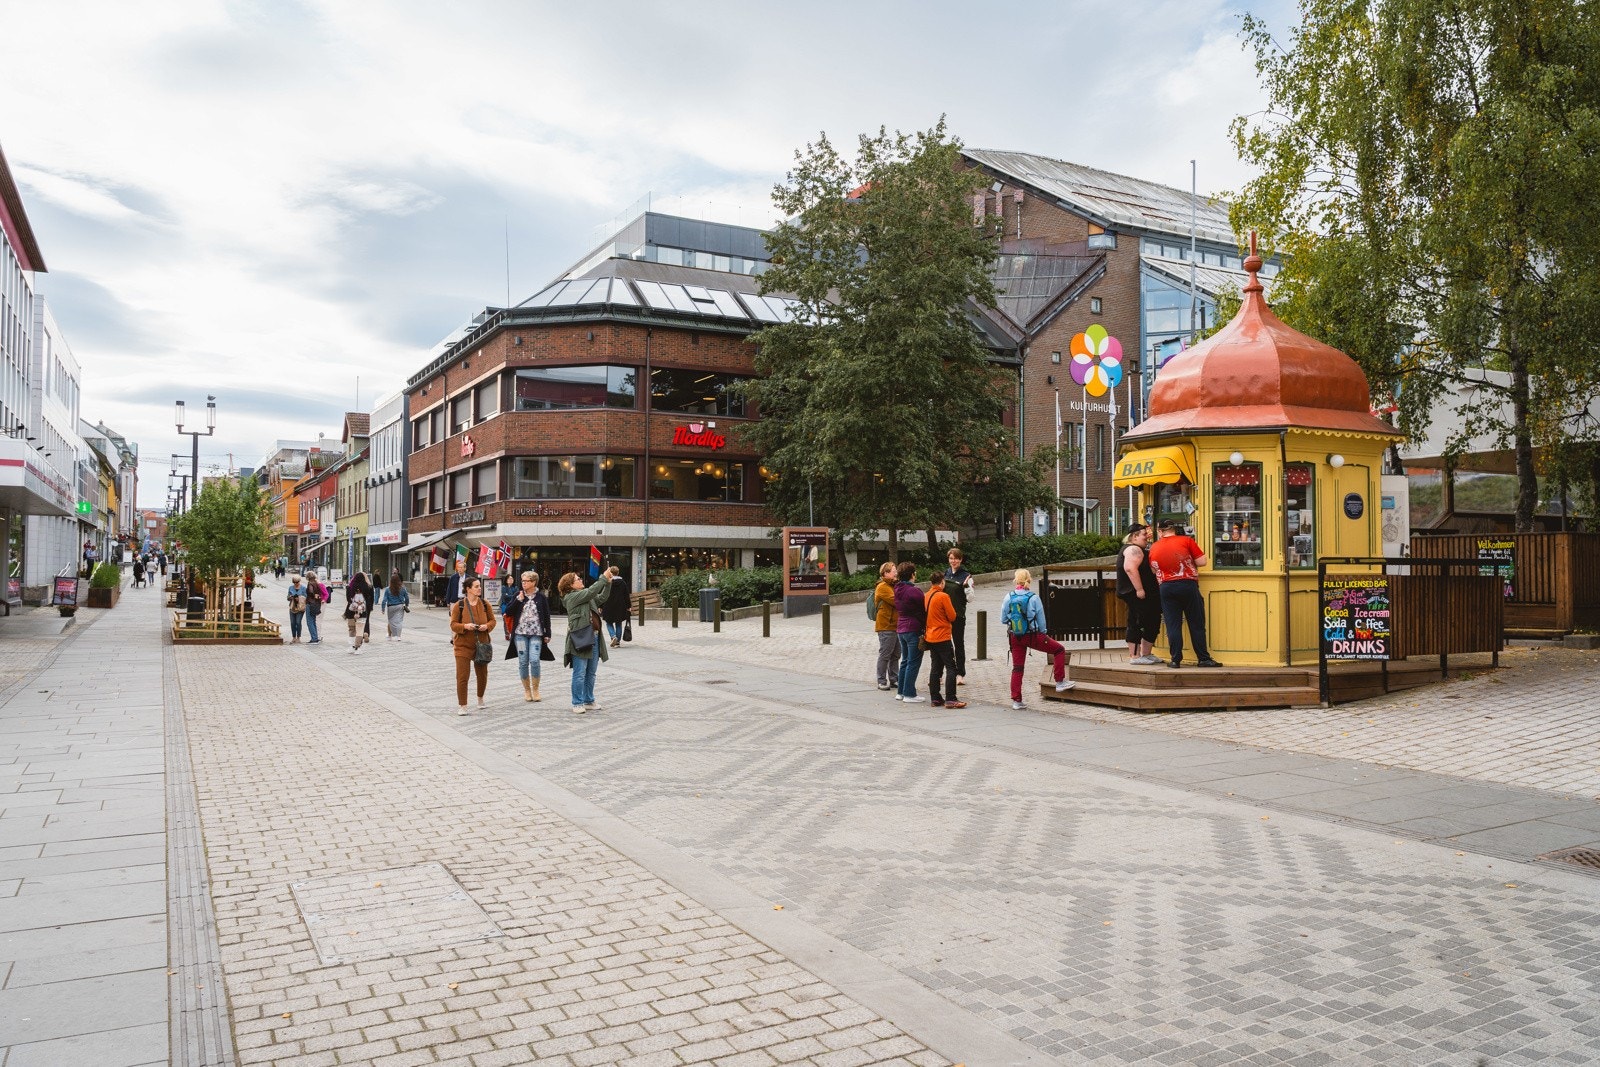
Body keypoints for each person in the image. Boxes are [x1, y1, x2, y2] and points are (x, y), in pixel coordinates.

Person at [1148, 520, 1223, 668]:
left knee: (1173, 625)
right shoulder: (1186, 541)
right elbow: (1202, 562)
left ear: (1160, 531)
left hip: (1166, 587)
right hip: (1187, 584)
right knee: (1196, 623)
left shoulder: (1154, 547)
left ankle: (1175, 660)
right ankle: (1203, 658)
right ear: (1174, 529)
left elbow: (1153, 570)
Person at [1001, 568, 1074, 710]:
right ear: (1029, 580)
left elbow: (1003, 619)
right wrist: (1044, 635)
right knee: (1059, 649)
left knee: (1017, 667)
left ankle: (1016, 701)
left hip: (1015, 636)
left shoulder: (1008, 597)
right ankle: (1059, 682)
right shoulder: (1033, 598)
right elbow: (1042, 622)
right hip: (1033, 635)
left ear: (1016, 580)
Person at [557, 566, 615, 714]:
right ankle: (577, 702)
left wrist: (608, 583)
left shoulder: (584, 595)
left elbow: (601, 598)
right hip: (581, 638)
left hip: (594, 636)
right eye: (577, 579)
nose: (581, 580)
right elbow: (591, 592)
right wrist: (603, 577)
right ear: (570, 585)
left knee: (591, 672)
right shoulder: (571, 596)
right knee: (580, 672)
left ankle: (589, 700)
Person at [449, 575, 498, 714]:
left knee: (482, 674)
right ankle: (463, 706)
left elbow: (493, 621)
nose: (479, 588)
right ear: (468, 589)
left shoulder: (485, 604)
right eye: (476, 586)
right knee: (462, 676)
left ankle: (480, 698)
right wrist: (465, 626)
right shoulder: (460, 605)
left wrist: (486, 626)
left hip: (481, 645)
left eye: (479, 586)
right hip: (462, 646)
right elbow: (453, 625)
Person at [1116, 524, 1163, 665]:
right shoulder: (1133, 549)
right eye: (1144, 534)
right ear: (1134, 536)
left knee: (1152, 620)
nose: (1147, 537)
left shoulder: (1139, 549)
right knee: (1137, 621)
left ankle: (1146, 654)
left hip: (1149, 594)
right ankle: (1135, 656)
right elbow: (1130, 568)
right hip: (1135, 593)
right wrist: (1139, 589)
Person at [503, 570, 551, 702]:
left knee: (535, 660)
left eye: (526, 581)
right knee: (523, 662)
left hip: (536, 634)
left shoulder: (541, 597)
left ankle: (535, 689)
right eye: (522, 581)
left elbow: (546, 616)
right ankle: (527, 690)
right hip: (520, 635)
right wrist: (518, 600)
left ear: (534, 582)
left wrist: (548, 633)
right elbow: (508, 611)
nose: (523, 583)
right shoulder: (517, 595)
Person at [924, 574, 965, 709]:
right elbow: (952, 616)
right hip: (943, 636)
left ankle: (935, 698)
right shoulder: (943, 596)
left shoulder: (927, 595)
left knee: (935, 667)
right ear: (942, 582)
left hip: (930, 636)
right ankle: (950, 698)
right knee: (951, 667)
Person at [892, 562, 926, 703]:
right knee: (913, 662)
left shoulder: (897, 589)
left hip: (901, 628)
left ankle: (900, 692)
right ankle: (909, 693)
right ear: (912, 574)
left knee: (905, 661)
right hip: (913, 628)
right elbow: (922, 610)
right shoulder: (914, 591)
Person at [942, 547, 975, 684]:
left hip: (958, 616)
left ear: (960, 559)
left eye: (955, 558)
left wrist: (966, 586)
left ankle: (960, 674)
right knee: (943, 645)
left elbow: (971, 598)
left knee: (958, 644)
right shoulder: (946, 573)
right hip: (944, 616)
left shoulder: (966, 576)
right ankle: (944, 673)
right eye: (951, 558)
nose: (953, 561)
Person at [871, 561, 900, 691]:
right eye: (894, 571)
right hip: (886, 626)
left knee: (896, 654)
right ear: (886, 573)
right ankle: (881, 680)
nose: (896, 573)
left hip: (896, 625)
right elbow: (896, 601)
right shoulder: (882, 587)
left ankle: (894, 679)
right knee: (885, 654)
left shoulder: (894, 585)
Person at [601, 567, 631, 648]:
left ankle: (613, 636)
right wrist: (628, 606)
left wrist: (600, 606)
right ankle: (617, 642)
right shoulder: (623, 583)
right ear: (618, 573)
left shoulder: (607, 582)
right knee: (618, 623)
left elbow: (602, 594)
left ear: (610, 573)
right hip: (620, 606)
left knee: (609, 622)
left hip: (608, 605)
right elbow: (626, 596)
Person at [344, 572, 373, 654]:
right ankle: (358, 648)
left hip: (351, 611)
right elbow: (369, 599)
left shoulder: (349, 587)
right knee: (360, 630)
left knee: (351, 629)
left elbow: (348, 600)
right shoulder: (367, 587)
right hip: (362, 611)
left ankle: (351, 646)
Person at [380, 570, 410, 639]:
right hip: (400, 606)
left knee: (391, 621)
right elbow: (407, 597)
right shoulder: (402, 588)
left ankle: (391, 635)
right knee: (399, 621)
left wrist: (383, 609)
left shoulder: (388, 589)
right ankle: (398, 636)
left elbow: (384, 600)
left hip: (390, 607)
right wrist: (407, 604)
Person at [304, 570, 325, 643]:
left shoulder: (310, 583)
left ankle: (314, 638)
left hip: (310, 603)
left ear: (307, 577)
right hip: (316, 603)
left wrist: (312, 595)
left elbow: (310, 591)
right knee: (313, 620)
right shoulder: (317, 583)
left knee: (310, 621)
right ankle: (315, 637)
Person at [285, 575, 308, 642]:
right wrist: (290, 597)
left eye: (296, 582)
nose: (295, 583)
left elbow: (306, 597)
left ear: (299, 581)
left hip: (300, 607)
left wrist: (299, 598)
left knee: (298, 622)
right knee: (292, 622)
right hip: (292, 607)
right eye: (294, 582)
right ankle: (294, 637)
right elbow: (287, 597)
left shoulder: (303, 588)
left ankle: (298, 637)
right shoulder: (290, 588)